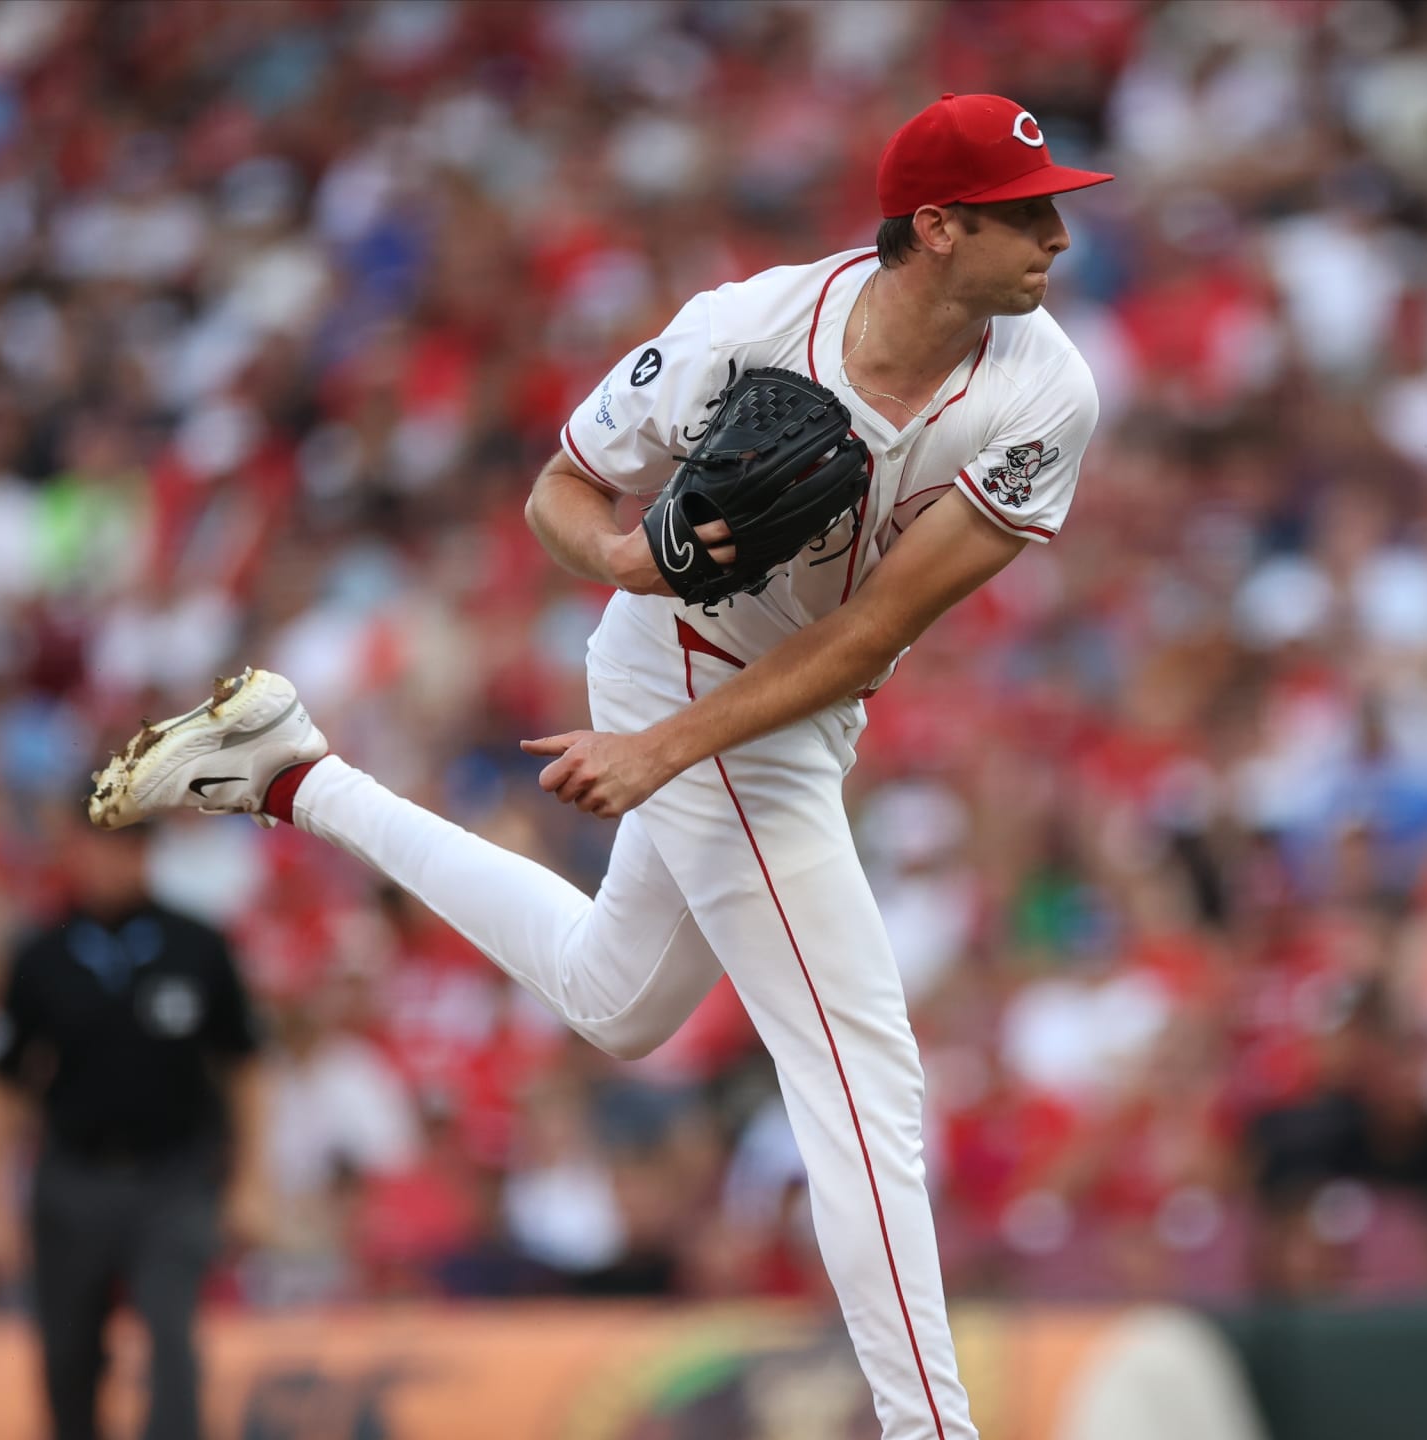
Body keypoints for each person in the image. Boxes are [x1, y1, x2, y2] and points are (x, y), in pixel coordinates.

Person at [81, 92, 1109, 1440]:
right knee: (863, 1071)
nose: (1055, 237)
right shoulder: (744, 331)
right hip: (676, 662)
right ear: (935, 226)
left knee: (614, 1002)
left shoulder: (1047, 389)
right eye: (1025, 213)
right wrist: (630, 558)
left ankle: (294, 776)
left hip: (773, 706)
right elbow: (559, 492)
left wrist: (658, 756)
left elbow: (870, 634)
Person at [0, 825, 272, 1440]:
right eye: (96, 845)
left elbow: (245, 1068)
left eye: (123, 846)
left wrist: (252, 1182)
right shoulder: (42, 955)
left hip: (173, 1177)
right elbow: (5, 1088)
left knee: (171, 1340)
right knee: (68, 1356)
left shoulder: (197, 945)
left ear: (145, 852)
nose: (108, 862)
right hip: (73, 1179)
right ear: (74, 851)